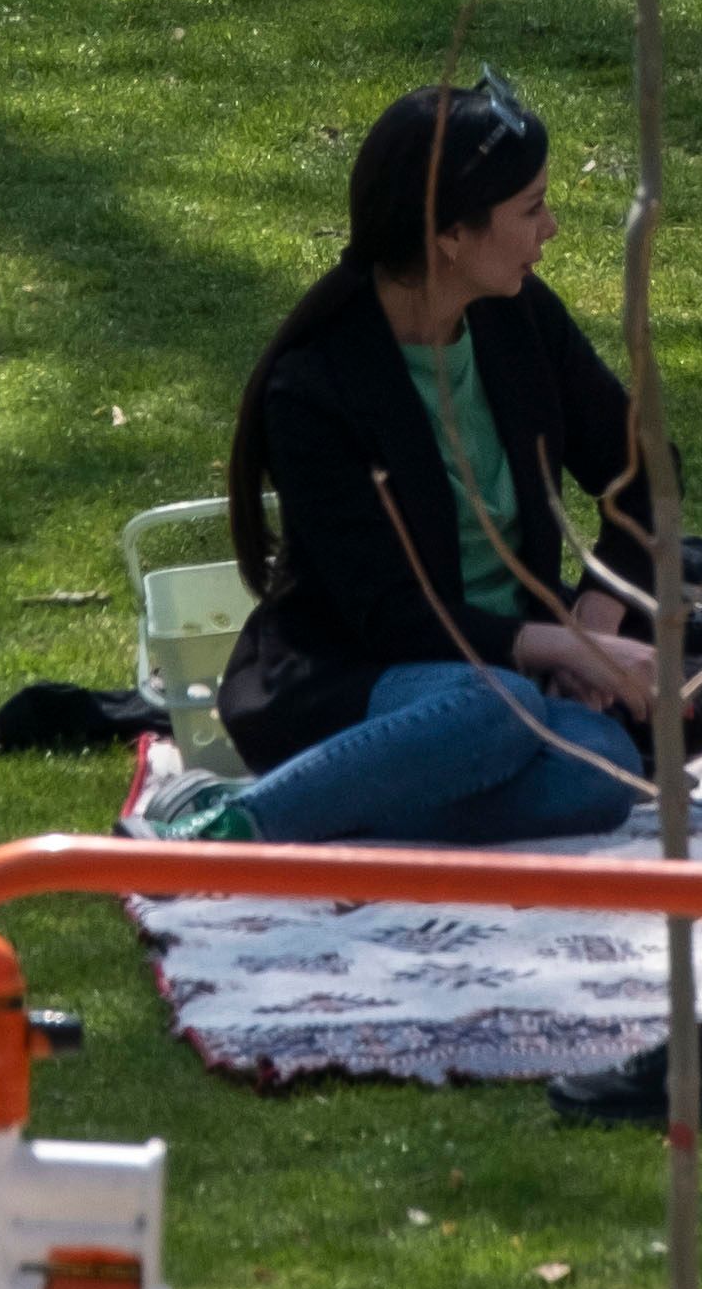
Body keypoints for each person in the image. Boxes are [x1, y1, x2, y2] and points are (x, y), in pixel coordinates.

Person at [133, 76, 665, 845]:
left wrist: (598, 609)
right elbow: (392, 616)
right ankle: (235, 828)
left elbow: (643, 470)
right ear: (449, 234)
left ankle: (319, 801)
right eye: (530, 207)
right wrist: (554, 643)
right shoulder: (316, 387)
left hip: (509, 684)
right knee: (494, 711)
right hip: (358, 676)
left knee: (603, 763)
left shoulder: (520, 320)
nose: (550, 226)